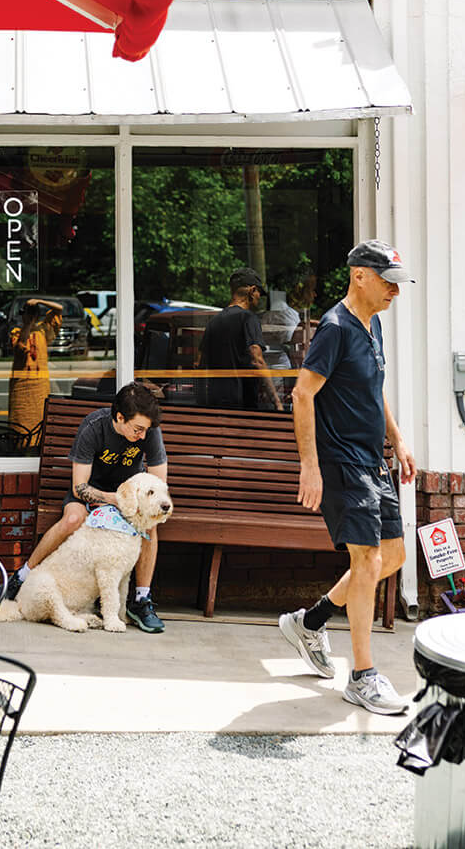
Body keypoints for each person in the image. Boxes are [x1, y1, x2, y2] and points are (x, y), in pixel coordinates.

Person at [279, 240, 417, 715]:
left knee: (391, 556)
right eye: (388, 283)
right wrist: (310, 466)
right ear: (360, 275)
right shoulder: (334, 329)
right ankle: (362, 676)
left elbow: (374, 388)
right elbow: (302, 395)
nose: (395, 292)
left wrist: (397, 439)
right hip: (342, 462)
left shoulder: (373, 324)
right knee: (368, 559)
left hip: (372, 459)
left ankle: (310, 622)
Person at [6, 381, 169, 633]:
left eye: (145, 430)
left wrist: (135, 503)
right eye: (137, 429)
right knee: (73, 518)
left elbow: (158, 483)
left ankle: (141, 599)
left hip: (131, 496)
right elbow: (79, 487)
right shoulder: (94, 426)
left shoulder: (149, 430)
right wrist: (113, 499)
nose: (143, 436)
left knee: (150, 526)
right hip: (93, 492)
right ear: (120, 417)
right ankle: (23, 576)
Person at [197, 267, 282, 411]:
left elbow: (200, 363)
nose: (259, 298)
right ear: (252, 291)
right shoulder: (249, 318)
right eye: (259, 293)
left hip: (215, 404)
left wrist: (201, 401)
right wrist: (277, 402)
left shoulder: (214, 321)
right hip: (242, 406)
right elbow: (257, 360)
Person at [7, 296, 63, 445]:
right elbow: (20, 349)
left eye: (33, 314)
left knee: (39, 422)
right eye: (27, 313)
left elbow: (59, 308)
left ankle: (37, 449)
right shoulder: (16, 332)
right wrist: (27, 325)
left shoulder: (43, 330)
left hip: (39, 386)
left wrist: (39, 301)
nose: (30, 316)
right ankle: (19, 450)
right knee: (20, 424)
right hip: (21, 386)